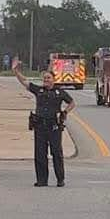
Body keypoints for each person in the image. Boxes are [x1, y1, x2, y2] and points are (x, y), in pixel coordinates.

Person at [13, 58, 76, 187]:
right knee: (40, 154)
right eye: (45, 78)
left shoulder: (60, 92)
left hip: (54, 127)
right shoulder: (38, 90)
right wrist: (15, 71)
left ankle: (60, 179)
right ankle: (42, 180)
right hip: (40, 126)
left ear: (54, 79)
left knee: (56, 153)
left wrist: (64, 113)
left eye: (48, 78)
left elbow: (72, 103)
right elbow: (25, 82)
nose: (46, 80)